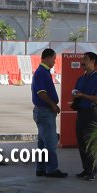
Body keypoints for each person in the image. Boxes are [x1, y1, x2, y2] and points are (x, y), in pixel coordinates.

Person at [31, 48, 67, 178]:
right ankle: (51, 169)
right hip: (45, 111)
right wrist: (53, 105)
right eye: (53, 59)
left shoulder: (43, 72)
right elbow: (41, 92)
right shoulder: (42, 73)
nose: (54, 61)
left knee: (42, 143)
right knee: (51, 143)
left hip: (42, 111)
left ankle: (41, 168)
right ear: (46, 58)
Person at [71, 51, 97, 180]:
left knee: (90, 143)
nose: (82, 62)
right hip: (81, 113)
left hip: (92, 114)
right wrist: (75, 94)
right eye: (82, 59)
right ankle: (86, 169)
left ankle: (92, 171)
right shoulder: (81, 78)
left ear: (93, 62)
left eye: (85, 59)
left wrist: (82, 95)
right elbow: (76, 91)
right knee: (81, 142)